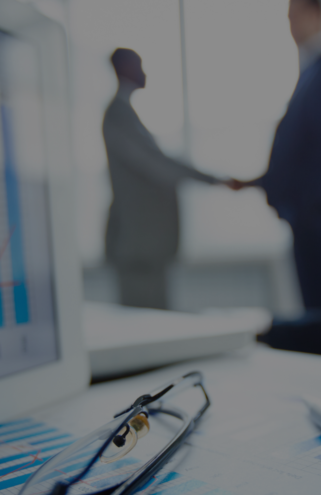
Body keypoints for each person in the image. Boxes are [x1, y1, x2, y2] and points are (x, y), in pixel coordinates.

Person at [229, 0, 321, 355]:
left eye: (294, 16)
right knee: (313, 307)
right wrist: (257, 182)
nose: (290, 25)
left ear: (317, 16)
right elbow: (294, 155)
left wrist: (301, 204)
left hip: (316, 212)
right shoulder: (308, 74)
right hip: (306, 212)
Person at [103, 48, 224, 309]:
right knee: (142, 322)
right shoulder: (118, 115)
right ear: (124, 68)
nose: (144, 73)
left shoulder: (128, 116)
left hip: (148, 246)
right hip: (137, 244)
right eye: (139, 65)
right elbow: (155, 164)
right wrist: (213, 180)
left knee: (155, 317)